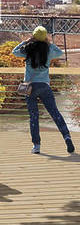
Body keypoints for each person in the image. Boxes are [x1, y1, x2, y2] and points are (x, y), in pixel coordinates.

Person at [12, 26, 75, 154]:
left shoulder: (28, 49)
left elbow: (14, 51)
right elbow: (60, 53)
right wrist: (48, 42)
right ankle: (67, 137)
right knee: (55, 113)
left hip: (30, 87)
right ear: (45, 37)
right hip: (44, 86)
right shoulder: (49, 49)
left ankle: (37, 146)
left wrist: (26, 41)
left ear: (33, 36)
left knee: (34, 116)